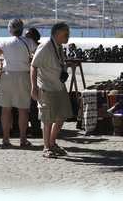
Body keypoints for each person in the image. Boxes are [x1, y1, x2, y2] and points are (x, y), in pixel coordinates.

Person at [0, 19, 37, 148]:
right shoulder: (29, 42)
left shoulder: (4, 43)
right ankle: (22, 139)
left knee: (6, 109)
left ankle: (5, 139)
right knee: (23, 110)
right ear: (22, 29)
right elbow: (37, 57)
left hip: (7, 76)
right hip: (23, 76)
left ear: (9, 29)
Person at [31, 22, 73, 158]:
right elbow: (33, 66)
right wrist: (34, 87)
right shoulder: (45, 47)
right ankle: (46, 147)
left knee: (61, 117)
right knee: (47, 119)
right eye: (66, 33)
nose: (68, 36)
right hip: (47, 88)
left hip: (59, 87)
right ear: (57, 34)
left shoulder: (59, 46)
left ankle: (52, 143)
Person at [25, 27, 42, 137]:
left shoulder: (38, 49)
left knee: (33, 104)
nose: (25, 38)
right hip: (27, 78)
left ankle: (36, 129)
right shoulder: (28, 47)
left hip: (34, 79)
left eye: (27, 36)